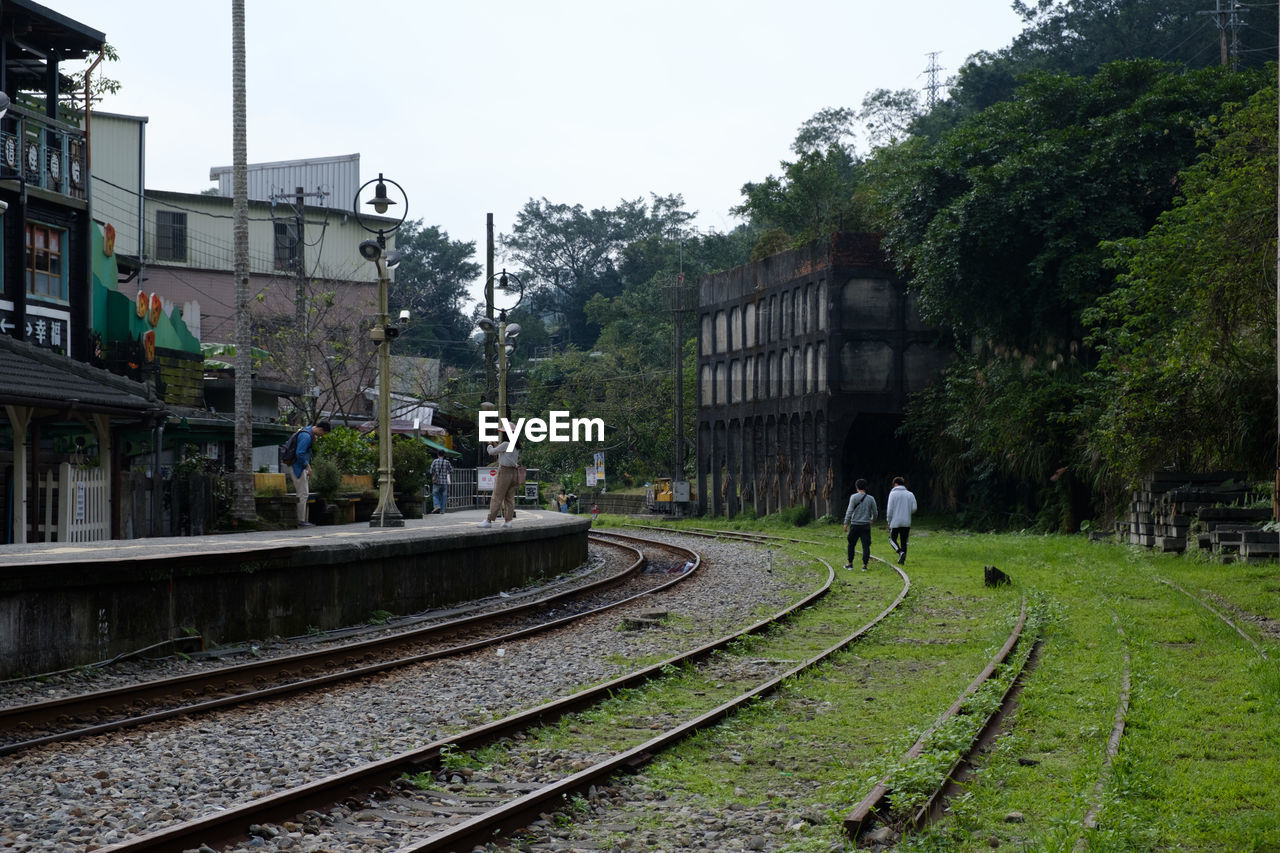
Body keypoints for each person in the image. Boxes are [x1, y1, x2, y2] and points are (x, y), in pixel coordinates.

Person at [288, 421, 330, 528]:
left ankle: (301, 520)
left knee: (303, 493)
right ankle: (300, 521)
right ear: (321, 430)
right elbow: (300, 452)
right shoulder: (306, 436)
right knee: (303, 493)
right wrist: (307, 465)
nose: (322, 435)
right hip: (297, 466)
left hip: (297, 465)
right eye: (323, 433)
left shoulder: (306, 431)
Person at [479, 428, 520, 528]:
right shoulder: (517, 445)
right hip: (514, 473)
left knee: (497, 496)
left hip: (504, 472)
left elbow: (492, 452)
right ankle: (508, 520)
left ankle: (489, 520)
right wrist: (496, 444)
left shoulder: (506, 444)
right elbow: (504, 453)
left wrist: (489, 444)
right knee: (509, 498)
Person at [842, 478, 878, 571]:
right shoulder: (871, 498)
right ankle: (864, 565)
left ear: (856, 487)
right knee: (866, 545)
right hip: (866, 525)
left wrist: (846, 522)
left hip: (855, 525)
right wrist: (872, 519)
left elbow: (849, 511)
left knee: (851, 544)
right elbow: (875, 512)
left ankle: (850, 564)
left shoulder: (853, 497)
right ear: (866, 487)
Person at [886, 476, 918, 565]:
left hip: (895, 522)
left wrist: (889, 521)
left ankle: (900, 552)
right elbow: (914, 508)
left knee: (892, 539)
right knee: (904, 541)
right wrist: (907, 512)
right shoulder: (910, 494)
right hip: (906, 521)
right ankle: (902, 560)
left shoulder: (892, 494)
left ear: (895, 484)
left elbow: (889, 510)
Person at [429, 450, 453, 514]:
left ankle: (437, 506)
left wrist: (434, 473)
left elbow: (431, 471)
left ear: (438, 455)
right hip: (445, 482)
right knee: (444, 496)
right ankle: (442, 510)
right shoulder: (447, 462)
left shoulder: (435, 461)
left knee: (435, 494)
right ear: (444, 455)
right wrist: (447, 472)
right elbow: (451, 470)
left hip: (436, 482)